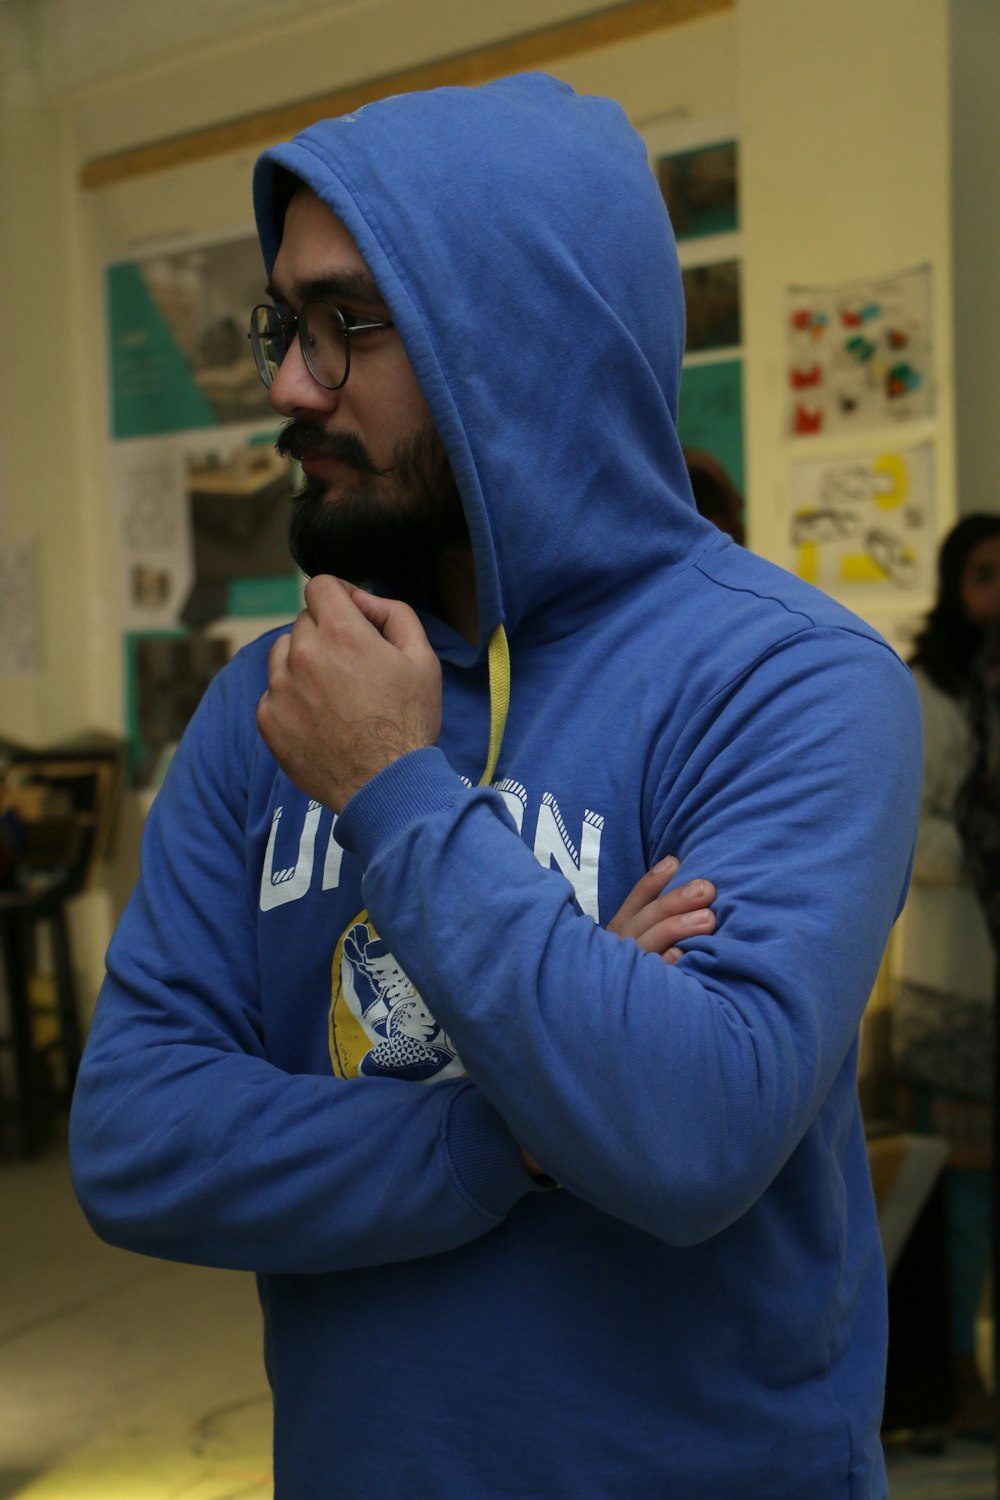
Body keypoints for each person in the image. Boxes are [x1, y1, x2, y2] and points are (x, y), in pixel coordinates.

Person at [70, 74, 922, 1498]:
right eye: (289, 328)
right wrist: (504, 1135)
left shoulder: (796, 680)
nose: (291, 385)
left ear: (515, 333)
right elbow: (135, 1138)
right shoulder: (270, 700)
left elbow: (688, 1133)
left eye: (352, 326)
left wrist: (396, 792)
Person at [895, 515, 1000, 1433]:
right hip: (951, 987)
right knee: (962, 1198)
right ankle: (959, 1373)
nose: (996, 594)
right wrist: (984, 841)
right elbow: (904, 834)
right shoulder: (919, 693)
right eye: (983, 574)